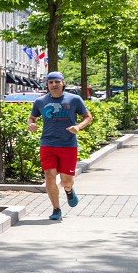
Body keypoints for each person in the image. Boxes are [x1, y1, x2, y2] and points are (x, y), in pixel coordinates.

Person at [27, 71, 92, 222]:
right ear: (47, 85)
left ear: (63, 83)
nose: (54, 85)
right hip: (48, 143)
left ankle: (69, 190)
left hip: (68, 144)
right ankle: (56, 209)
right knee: (49, 175)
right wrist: (31, 124)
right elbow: (32, 117)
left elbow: (88, 117)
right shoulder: (40, 101)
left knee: (66, 181)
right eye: (51, 82)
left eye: (57, 82)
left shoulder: (74, 99)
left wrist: (78, 127)